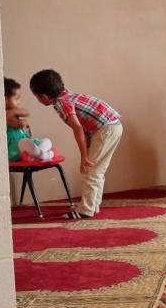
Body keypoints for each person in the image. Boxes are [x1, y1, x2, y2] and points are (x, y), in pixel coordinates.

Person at [29, 69, 122, 218]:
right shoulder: (68, 95)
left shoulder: (61, 104)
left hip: (106, 129)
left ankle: (85, 210)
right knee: (96, 170)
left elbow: (78, 127)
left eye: (37, 98)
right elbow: (86, 127)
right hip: (113, 125)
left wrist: (84, 156)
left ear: (44, 96)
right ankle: (93, 206)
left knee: (90, 171)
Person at [4, 77, 53, 161]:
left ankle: (35, 155)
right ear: (5, 99)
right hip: (11, 150)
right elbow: (21, 123)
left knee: (47, 141)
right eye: (16, 99)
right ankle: (44, 156)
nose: (19, 102)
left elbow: (26, 112)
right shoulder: (5, 115)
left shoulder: (14, 112)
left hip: (22, 147)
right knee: (25, 142)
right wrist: (25, 123)